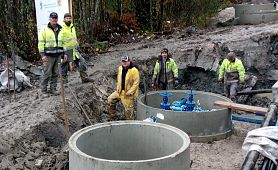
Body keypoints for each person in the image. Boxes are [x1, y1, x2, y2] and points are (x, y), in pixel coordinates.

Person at [38, 12, 66, 97]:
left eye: (55, 18)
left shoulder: (61, 29)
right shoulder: (44, 29)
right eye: (52, 18)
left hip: (57, 56)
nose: (54, 19)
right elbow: (40, 43)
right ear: (50, 19)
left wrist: (64, 53)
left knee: (56, 73)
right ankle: (43, 91)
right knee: (46, 73)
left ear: (57, 19)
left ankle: (53, 89)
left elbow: (63, 43)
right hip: (48, 56)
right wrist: (42, 55)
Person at [60, 13, 91, 83]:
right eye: (67, 18)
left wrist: (78, 47)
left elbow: (74, 39)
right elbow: (60, 42)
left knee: (82, 62)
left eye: (69, 18)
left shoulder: (72, 27)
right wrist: (62, 52)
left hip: (74, 50)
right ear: (64, 19)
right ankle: (64, 81)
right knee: (64, 66)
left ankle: (84, 78)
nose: (68, 20)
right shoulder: (61, 29)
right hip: (66, 51)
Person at [107, 55, 140, 120]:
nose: (124, 63)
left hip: (128, 94)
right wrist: (118, 87)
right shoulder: (120, 68)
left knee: (128, 111)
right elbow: (118, 79)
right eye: (123, 61)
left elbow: (136, 83)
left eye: (126, 61)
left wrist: (130, 92)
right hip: (119, 92)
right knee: (110, 99)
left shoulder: (134, 70)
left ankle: (129, 123)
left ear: (129, 61)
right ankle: (113, 115)